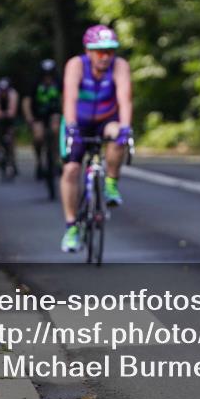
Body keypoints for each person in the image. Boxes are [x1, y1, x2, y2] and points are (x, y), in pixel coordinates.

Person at [59, 25, 133, 253]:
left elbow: (125, 99)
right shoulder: (76, 65)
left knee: (118, 134)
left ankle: (111, 184)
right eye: (100, 52)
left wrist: (126, 128)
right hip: (78, 122)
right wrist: (71, 128)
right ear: (88, 51)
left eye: (110, 51)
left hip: (105, 119)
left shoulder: (119, 66)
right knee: (71, 169)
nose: (105, 57)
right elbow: (70, 98)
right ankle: (71, 227)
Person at [23, 59, 63, 180]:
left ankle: (56, 160)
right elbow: (27, 101)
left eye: (50, 74)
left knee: (56, 130)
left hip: (54, 113)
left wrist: (65, 113)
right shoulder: (35, 83)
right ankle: (39, 161)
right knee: (38, 136)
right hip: (38, 115)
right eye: (45, 74)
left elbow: (65, 98)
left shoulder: (59, 82)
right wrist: (29, 117)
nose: (48, 77)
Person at [0, 77, 20, 175]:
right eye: (1, 91)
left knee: (11, 137)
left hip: (9, 118)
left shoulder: (13, 93)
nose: (3, 93)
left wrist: (8, 113)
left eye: (5, 91)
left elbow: (12, 109)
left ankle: (13, 161)